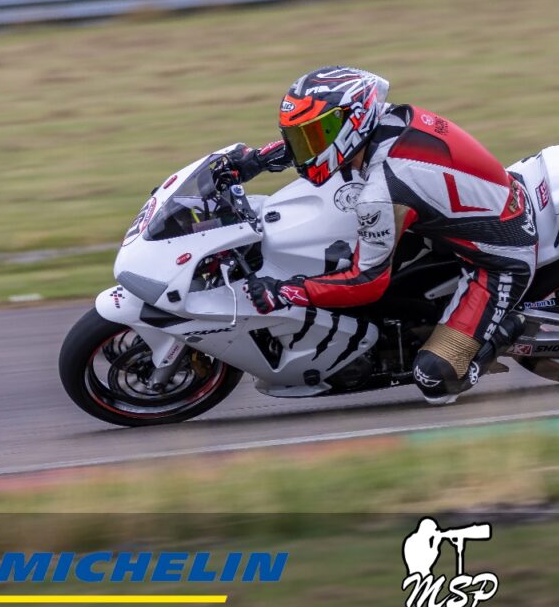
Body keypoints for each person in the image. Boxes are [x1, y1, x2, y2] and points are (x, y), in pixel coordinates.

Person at [221, 66, 537, 404]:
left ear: (353, 121)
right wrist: (256, 160)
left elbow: (367, 282)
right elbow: (329, 145)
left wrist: (286, 291)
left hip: (500, 258)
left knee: (435, 380)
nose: (305, 146)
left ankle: (508, 328)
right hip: (464, 214)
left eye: (313, 135)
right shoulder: (385, 120)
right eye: (302, 136)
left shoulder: (382, 191)